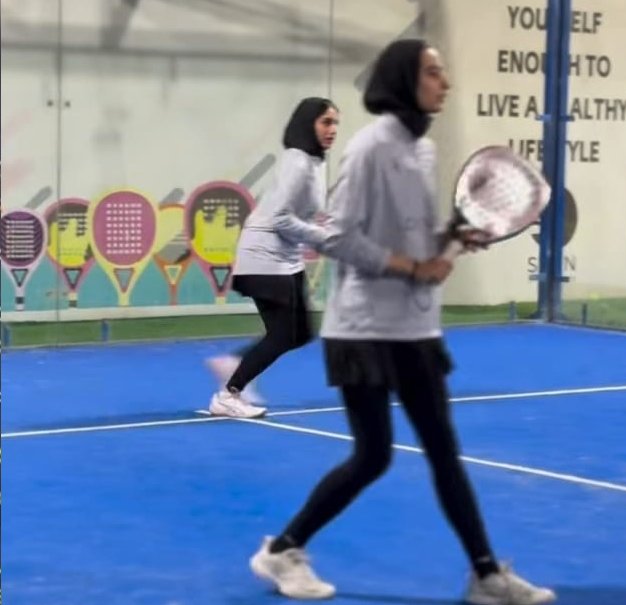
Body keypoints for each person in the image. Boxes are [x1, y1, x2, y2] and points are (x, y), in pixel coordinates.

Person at [247, 40, 556, 604]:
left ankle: (486, 576)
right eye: (434, 72)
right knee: (373, 456)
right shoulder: (369, 148)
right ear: (402, 80)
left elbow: (408, 237)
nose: (446, 82)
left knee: (442, 450)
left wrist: (450, 239)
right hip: (362, 330)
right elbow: (338, 237)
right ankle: (282, 551)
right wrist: (412, 266)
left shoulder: (424, 150)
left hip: (415, 328)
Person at [206, 97, 339, 419]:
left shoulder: (314, 163)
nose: (333, 129)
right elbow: (279, 218)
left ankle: (233, 363)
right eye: (326, 122)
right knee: (282, 334)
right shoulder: (297, 161)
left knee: (300, 332)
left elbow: (304, 215)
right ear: (308, 123)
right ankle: (228, 394)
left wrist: (328, 232)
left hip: (287, 255)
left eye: (336, 123)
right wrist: (321, 237)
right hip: (264, 256)